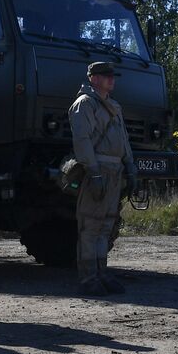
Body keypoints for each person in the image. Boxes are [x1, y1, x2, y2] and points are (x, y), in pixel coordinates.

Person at [68, 61, 136, 296]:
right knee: (90, 225)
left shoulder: (113, 106)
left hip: (114, 171)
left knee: (106, 225)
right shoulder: (84, 104)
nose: (111, 79)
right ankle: (88, 277)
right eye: (106, 76)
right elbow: (82, 141)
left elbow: (124, 139)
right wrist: (94, 171)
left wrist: (130, 166)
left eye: (112, 76)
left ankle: (101, 273)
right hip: (97, 170)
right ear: (93, 78)